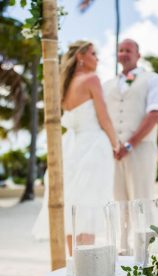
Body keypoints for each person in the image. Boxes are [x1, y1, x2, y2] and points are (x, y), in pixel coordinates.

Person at [32, 41, 119, 257]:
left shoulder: (63, 84)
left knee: (74, 205)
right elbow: (104, 117)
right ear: (81, 56)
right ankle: (87, 265)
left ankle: (74, 263)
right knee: (90, 205)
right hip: (93, 147)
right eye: (93, 53)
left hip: (70, 147)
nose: (97, 58)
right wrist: (116, 144)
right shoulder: (91, 79)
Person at [103, 39, 158, 254]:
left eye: (128, 50)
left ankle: (148, 250)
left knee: (142, 198)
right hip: (113, 153)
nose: (124, 53)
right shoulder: (107, 85)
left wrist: (130, 144)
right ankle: (122, 248)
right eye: (120, 50)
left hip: (141, 149)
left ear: (138, 55)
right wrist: (112, 145)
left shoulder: (152, 79)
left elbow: (154, 114)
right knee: (118, 200)